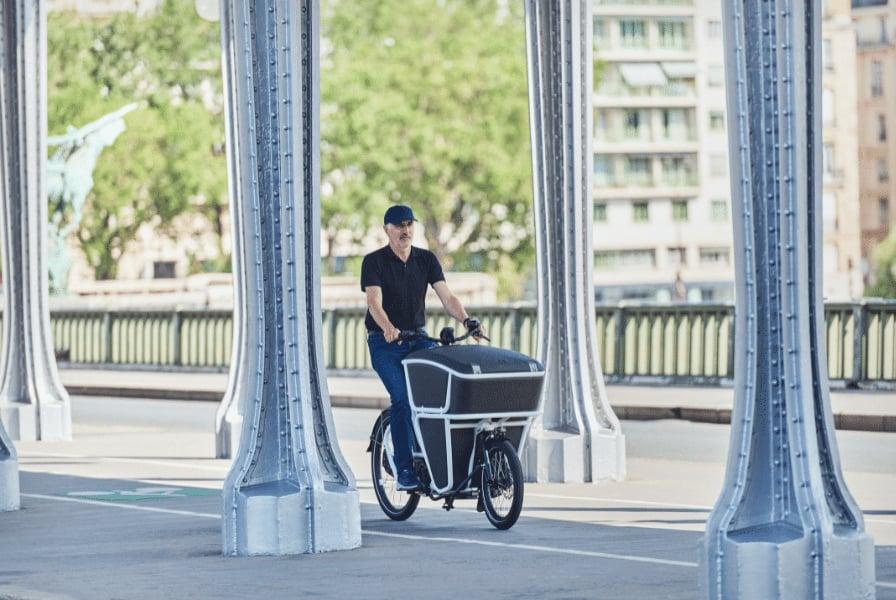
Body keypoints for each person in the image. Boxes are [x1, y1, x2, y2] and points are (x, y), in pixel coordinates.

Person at [361, 204, 486, 491]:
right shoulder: (374, 262)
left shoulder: (426, 259)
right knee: (402, 399)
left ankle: (439, 460)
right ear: (387, 230)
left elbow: (447, 297)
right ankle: (403, 469)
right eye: (399, 226)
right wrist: (388, 328)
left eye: (409, 225)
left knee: (438, 395)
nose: (405, 230)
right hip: (386, 344)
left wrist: (468, 321)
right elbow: (373, 304)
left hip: (418, 338)